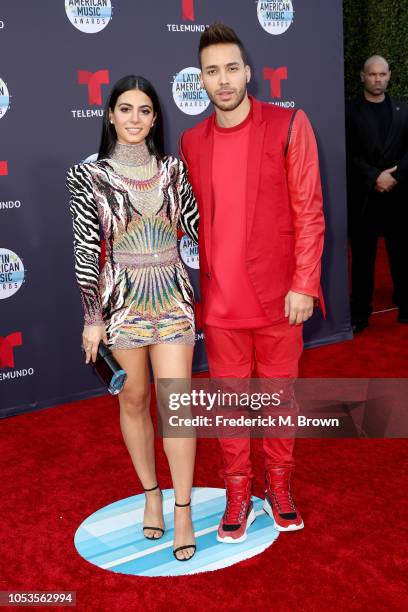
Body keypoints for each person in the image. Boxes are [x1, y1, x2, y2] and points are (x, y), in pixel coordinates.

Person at [179, 24, 325, 542]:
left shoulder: (289, 124)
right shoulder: (191, 141)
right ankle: (238, 491)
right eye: (212, 71)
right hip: (220, 306)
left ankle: (279, 485)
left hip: (281, 299)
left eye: (231, 68)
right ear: (201, 79)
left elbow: (309, 210)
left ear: (248, 71)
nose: (223, 80)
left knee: (279, 398)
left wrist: (305, 282)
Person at [67, 75, 198, 561]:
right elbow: (85, 250)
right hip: (121, 301)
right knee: (134, 400)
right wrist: (91, 317)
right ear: (109, 115)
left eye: (145, 110)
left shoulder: (173, 170)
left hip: (173, 298)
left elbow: (198, 226)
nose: (135, 119)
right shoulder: (87, 177)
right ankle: (152, 496)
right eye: (126, 109)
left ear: (156, 117)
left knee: (177, 403)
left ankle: (182, 507)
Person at [346, 55, 408, 333]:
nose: (378, 79)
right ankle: (360, 313)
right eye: (372, 74)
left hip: (398, 196)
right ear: (362, 76)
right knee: (362, 259)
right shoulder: (349, 112)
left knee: (402, 256)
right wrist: (375, 177)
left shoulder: (402, 109)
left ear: (390, 75)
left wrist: (395, 175)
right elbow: (347, 153)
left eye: (383, 74)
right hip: (365, 198)